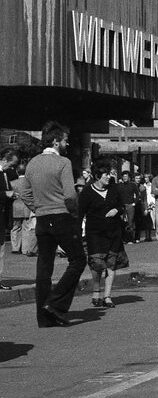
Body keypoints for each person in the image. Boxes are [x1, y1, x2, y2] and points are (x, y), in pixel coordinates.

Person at [20, 121, 87, 327]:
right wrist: (74, 212)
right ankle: (55, 304)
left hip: (42, 219)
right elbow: (69, 194)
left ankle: (43, 318)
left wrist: (37, 208)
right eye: (65, 140)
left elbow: (24, 192)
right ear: (57, 141)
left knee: (44, 268)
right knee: (77, 260)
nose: (67, 144)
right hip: (61, 217)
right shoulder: (63, 163)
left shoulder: (32, 163)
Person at [78, 159, 128, 309]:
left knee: (111, 264)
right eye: (106, 174)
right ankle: (95, 292)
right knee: (97, 264)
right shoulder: (87, 192)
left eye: (109, 174)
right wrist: (76, 232)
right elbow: (80, 213)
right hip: (95, 233)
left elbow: (121, 206)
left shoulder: (114, 189)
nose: (108, 177)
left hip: (114, 232)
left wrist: (117, 210)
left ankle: (107, 296)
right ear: (97, 175)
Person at [10, 161, 37, 258]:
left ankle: (15, 248)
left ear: (17, 172)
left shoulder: (12, 183)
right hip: (26, 207)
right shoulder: (29, 183)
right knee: (26, 228)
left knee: (15, 228)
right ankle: (25, 249)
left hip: (15, 207)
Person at [0, 149, 17, 289]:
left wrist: (11, 196)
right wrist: (5, 193)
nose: (12, 168)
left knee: (1, 249)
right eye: (11, 164)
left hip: (3, 215)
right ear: (4, 160)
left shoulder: (5, 174)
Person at [112, 170, 139, 244]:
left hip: (130, 205)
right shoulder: (119, 186)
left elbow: (137, 195)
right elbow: (116, 195)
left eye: (126, 176)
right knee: (122, 223)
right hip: (121, 206)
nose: (125, 178)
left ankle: (130, 239)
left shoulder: (133, 185)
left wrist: (134, 203)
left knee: (130, 223)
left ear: (129, 177)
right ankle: (123, 239)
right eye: (123, 176)